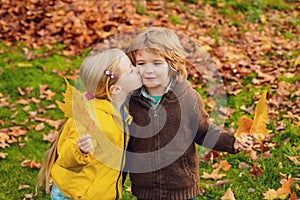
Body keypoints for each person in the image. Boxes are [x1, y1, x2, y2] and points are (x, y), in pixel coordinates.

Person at [123, 27, 253, 200]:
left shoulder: (187, 98)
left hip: (181, 186)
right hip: (145, 187)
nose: (148, 70)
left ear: (172, 64)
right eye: (141, 63)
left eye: (156, 63)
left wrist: (231, 142)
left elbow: (203, 130)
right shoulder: (130, 100)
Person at [36, 48, 142, 200]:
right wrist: (80, 150)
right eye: (131, 70)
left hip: (98, 191)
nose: (137, 70)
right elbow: (66, 157)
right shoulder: (91, 119)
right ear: (116, 89)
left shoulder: (120, 110)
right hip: (77, 195)